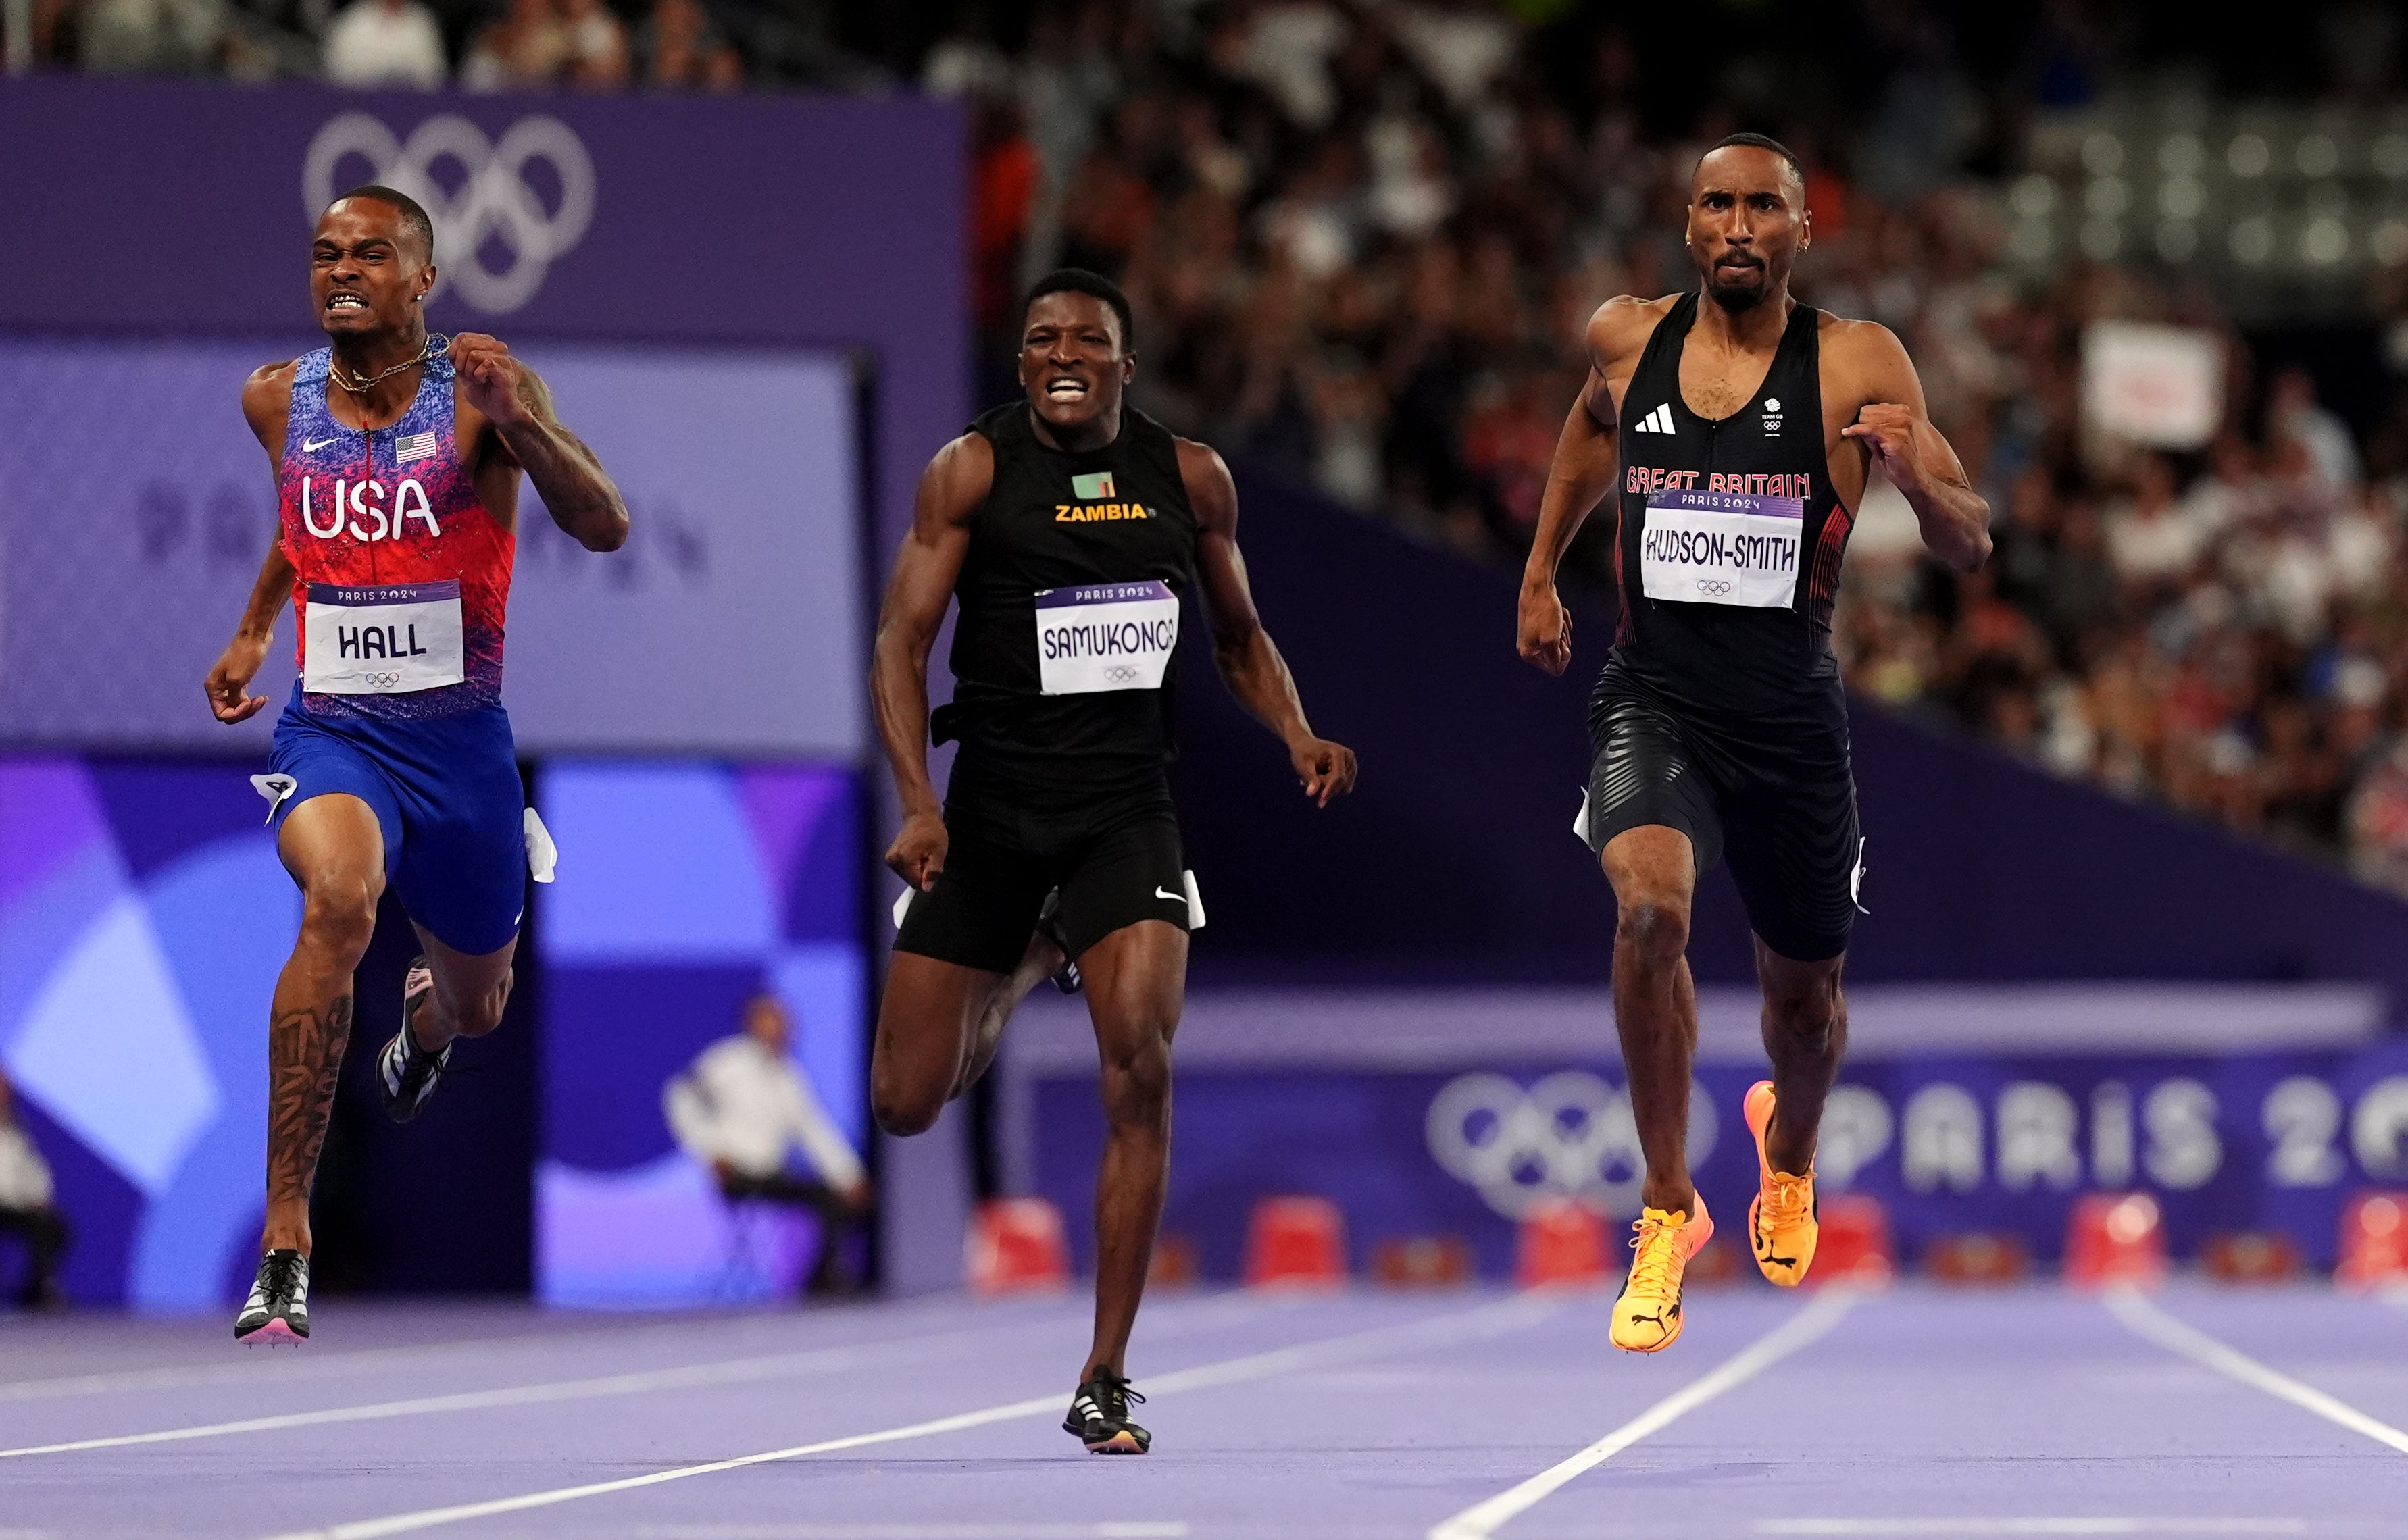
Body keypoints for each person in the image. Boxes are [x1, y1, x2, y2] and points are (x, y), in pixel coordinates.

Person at [1515, 134, 1990, 1353]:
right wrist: (1538, 570)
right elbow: (1584, 423)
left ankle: (1786, 1152)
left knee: (1807, 1015)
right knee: (1645, 915)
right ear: (1686, 223)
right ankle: (1667, 1207)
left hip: (1787, 727)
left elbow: (1966, 543)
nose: (1737, 226)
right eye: (1716, 205)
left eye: (1761, 208)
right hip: (1653, 701)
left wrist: (1915, 483)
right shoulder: (1623, 339)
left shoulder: (1852, 362)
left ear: (1798, 230)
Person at [870, 269, 1357, 1453]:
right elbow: (899, 640)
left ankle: (1103, 1373)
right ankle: (1029, 960)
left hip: (1123, 814)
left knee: (1136, 1064)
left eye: (1086, 338)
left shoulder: (1186, 477)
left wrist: (1294, 730)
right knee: (902, 1103)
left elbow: (1237, 637)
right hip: (988, 817)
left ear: (1124, 366)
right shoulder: (969, 472)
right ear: (1022, 361)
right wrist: (920, 805)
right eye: (1039, 339)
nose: (1060, 353)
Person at [203, 185, 628, 1344]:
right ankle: (286, 1237)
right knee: (338, 900)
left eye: (372, 254)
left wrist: (522, 423)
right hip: (334, 727)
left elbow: (606, 527)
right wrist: (254, 626)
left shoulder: (485, 390)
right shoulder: (274, 400)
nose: (342, 269)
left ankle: (424, 1027)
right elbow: (307, 524)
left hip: (462, 746)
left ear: (422, 282)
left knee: (481, 1007)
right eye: (326, 253)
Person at [664, 994, 872, 1297]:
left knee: (834, 1196)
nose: (778, 1029)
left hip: (772, 1174)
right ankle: (821, 1278)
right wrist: (711, 1151)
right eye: (770, 1021)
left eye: (783, 1022)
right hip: (736, 1173)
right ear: (752, 1024)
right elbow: (681, 1095)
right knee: (822, 1196)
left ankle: (821, 1276)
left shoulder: (788, 1076)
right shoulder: (726, 1062)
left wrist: (849, 1176)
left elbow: (815, 1132)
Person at [0, 1069, 70, 1312]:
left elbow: (34, 1170)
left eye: (4, 1091)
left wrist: (39, 1197)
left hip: (12, 1206)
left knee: (50, 1226)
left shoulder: (16, 1129)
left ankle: (38, 1289)